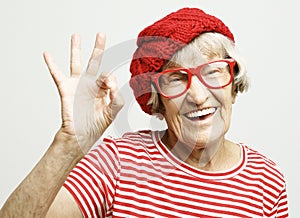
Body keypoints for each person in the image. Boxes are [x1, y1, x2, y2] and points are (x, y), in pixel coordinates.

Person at [0, 7, 288, 217]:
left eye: (213, 73)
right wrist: (67, 144)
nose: (199, 97)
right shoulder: (118, 163)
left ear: (233, 85)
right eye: (176, 79)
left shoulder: (266, 180)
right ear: (158, 102)